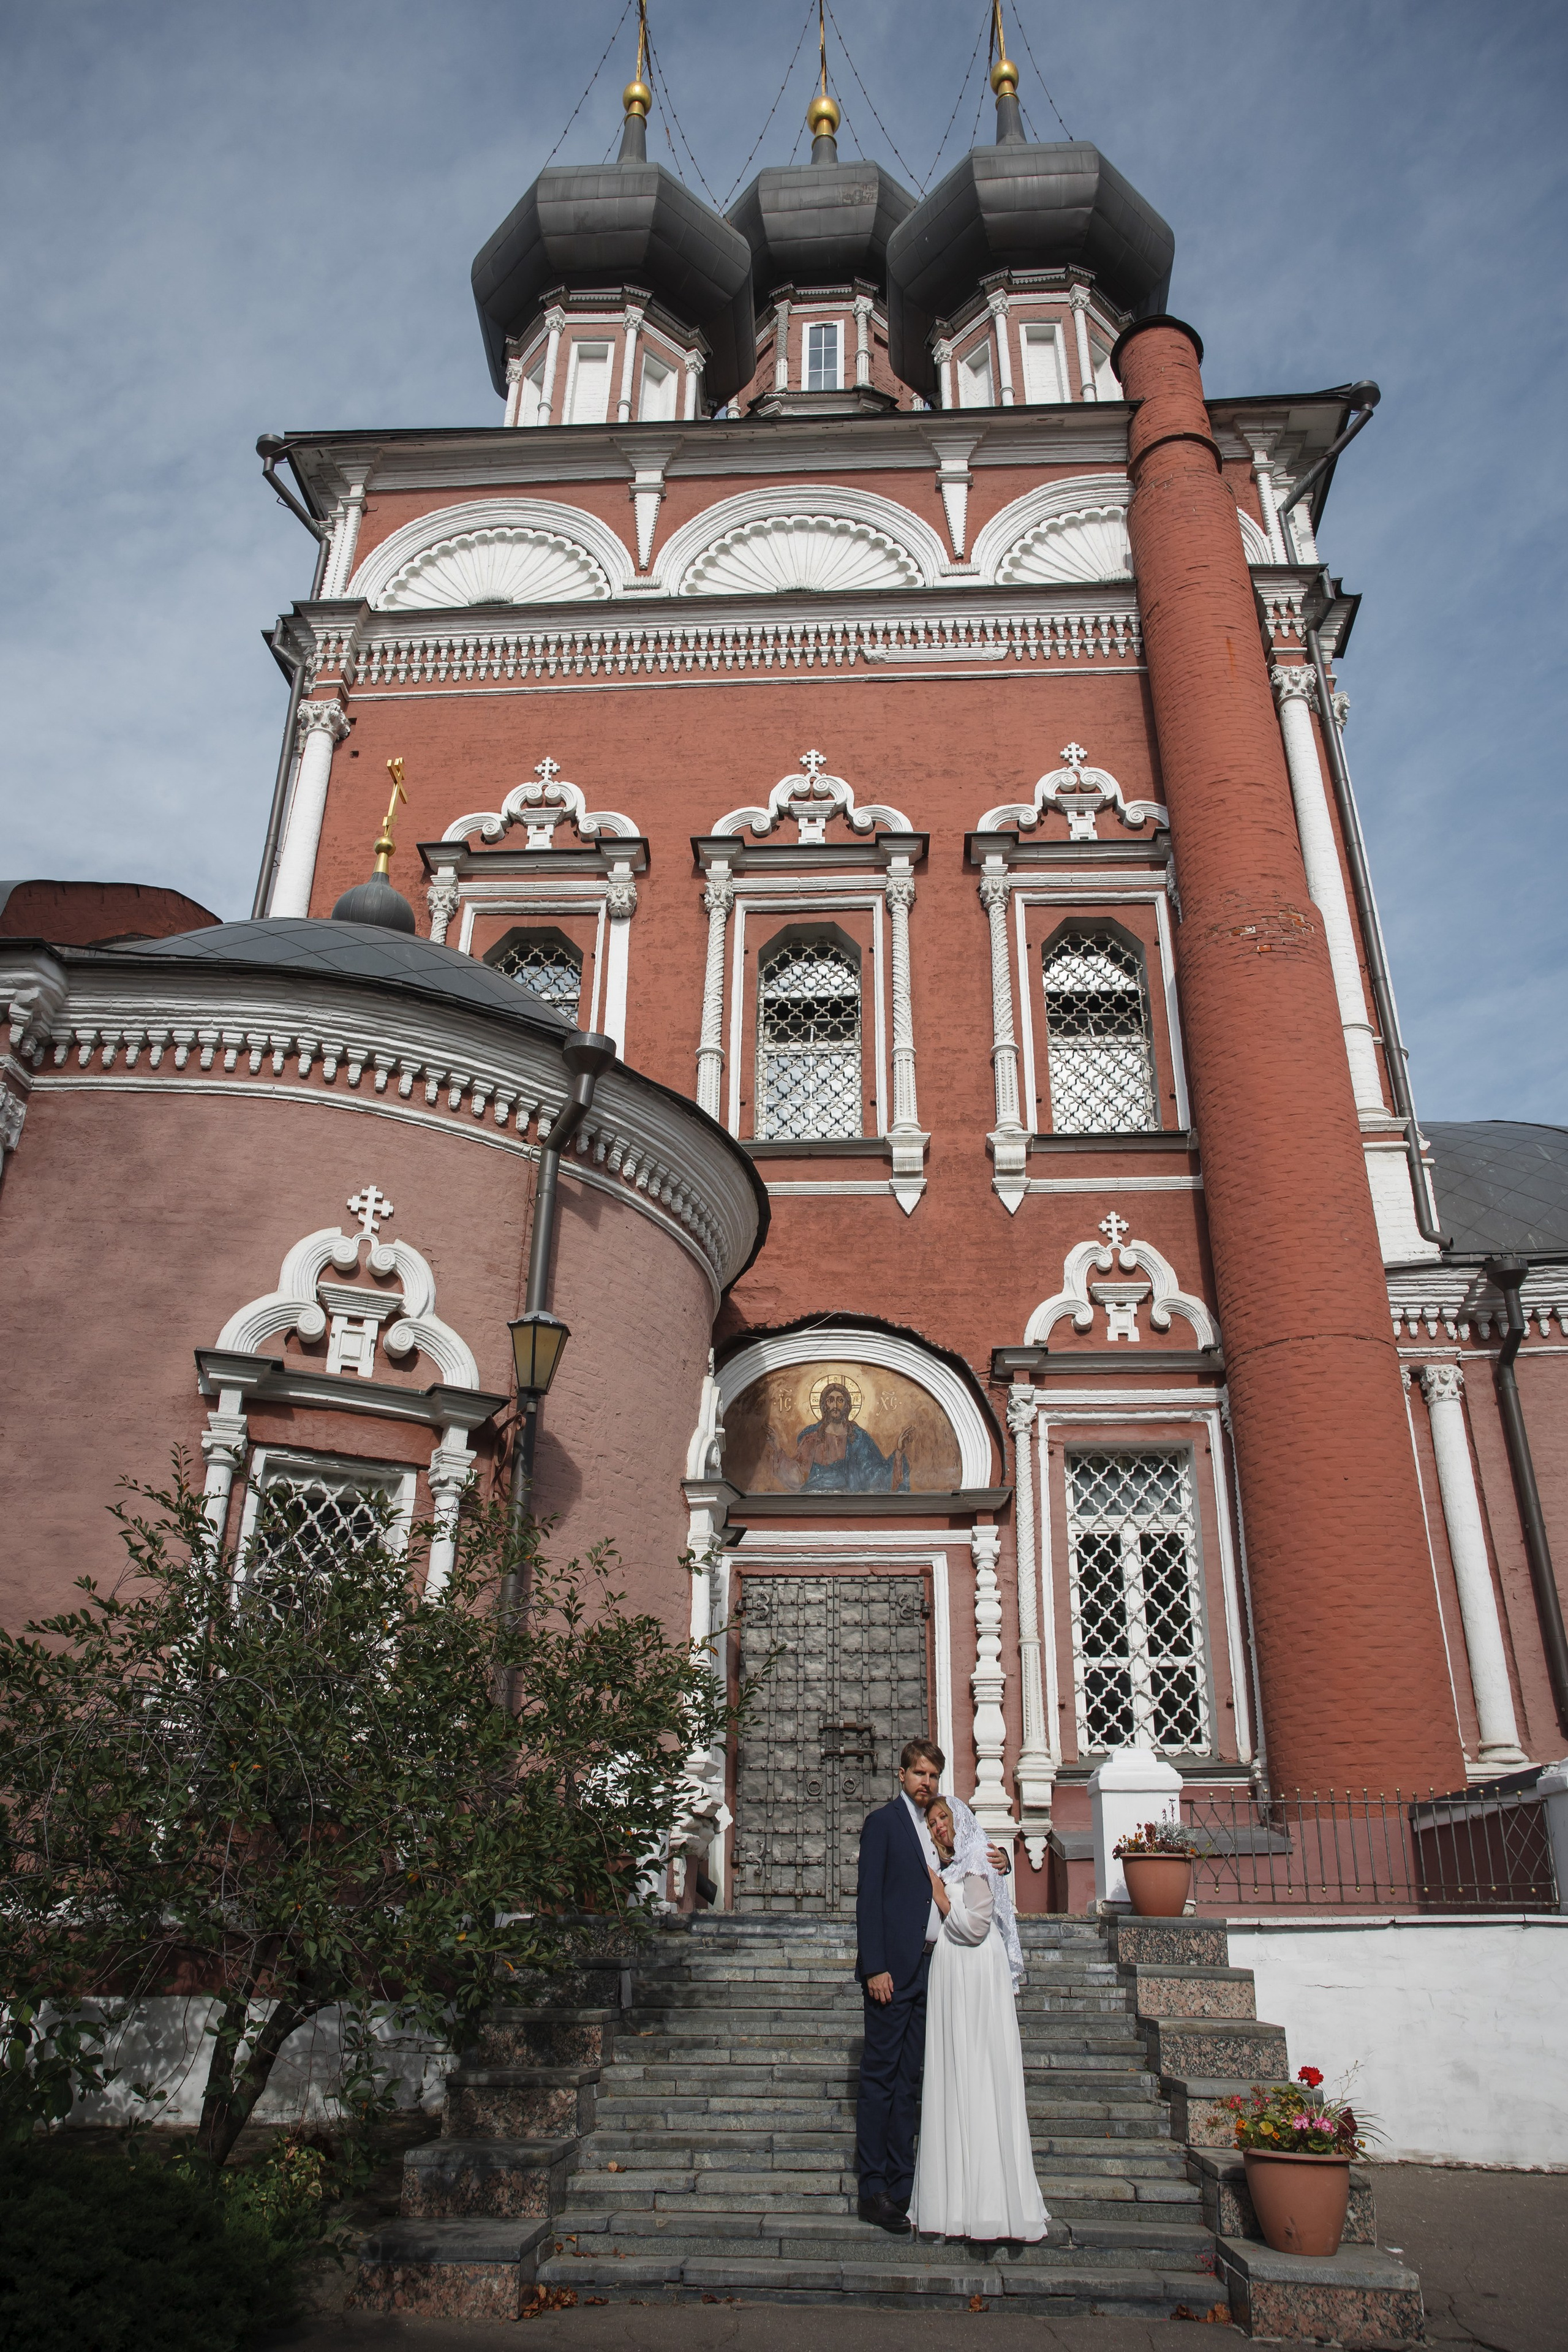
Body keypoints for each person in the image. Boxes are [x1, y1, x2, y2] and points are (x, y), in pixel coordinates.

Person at [853, 1737, 1014, 2232]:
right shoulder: (883, 1824)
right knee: (881, 2077)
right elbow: (869, 1901)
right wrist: (875, 1966)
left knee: (911, 2080)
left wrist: (1000, 1863)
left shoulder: (940, 1829)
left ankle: (904, 2186)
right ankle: (873, 2188)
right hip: (893, 1972)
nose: (926, 1783)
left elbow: (972, 1866)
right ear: (901, 1775)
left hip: (936, 1970)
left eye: (933, 1776)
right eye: (919, 1774)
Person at [908, 1795, 1048, 2245]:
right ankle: (957, 2202)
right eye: (932, 1823)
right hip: (956, 1978)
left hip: (974, 1974)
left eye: (944, 1818)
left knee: (980, 2076)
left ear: (961, 1820)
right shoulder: (955, 1865)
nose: (938, 1828)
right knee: (956, 2077)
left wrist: (939, 1896)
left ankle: (988, 2204)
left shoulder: (978, 1859)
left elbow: (975, 1926)